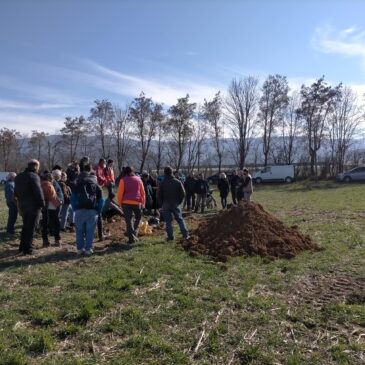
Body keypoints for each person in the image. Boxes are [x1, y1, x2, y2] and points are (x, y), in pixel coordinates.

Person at [71, 162, 104, 256]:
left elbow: (73, 198)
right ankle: (88, 249)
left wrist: (75, 209)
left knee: (79, 230)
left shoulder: (78, 183)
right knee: (90, 231)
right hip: (92, 210)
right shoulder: (96, 184)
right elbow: (101, 200)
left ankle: (79, 249)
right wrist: (98, 210)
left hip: (79, 210)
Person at [14, 159, 45, 255]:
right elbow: (38, 192)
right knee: (31, 227)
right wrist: (42, 203)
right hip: (33, 206)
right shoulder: (34, 176)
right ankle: (28, 249)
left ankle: (22, 246)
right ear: (35, 166)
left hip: (22, 204)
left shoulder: (19, 177)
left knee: (25, 226)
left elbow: (16, 191)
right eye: (38, 166)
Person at [158, 166, 189, 241]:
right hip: (175, 203)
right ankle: (185, 235)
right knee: (180, 219)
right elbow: (183, 193)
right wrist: (179, 201)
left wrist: (161, 203)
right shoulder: (177, 182)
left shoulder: (162, 183)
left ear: (165, 173)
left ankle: (170, 237)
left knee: (168, 221)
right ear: (172, 172)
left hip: (166, 203)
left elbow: (159, 194)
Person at [116, 166, 145, 244]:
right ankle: (134, 233)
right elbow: (143, 193)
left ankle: (131, 238)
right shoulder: (139, 179)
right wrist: (143, 203)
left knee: (129, 221)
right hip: (137, 202)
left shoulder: (123, 180)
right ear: (133, 171)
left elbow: (120, 193)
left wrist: (119, 203)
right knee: (138, 218)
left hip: (126, 202)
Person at [40, 172, 62, 247]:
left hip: (44, 206)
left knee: (45, 223)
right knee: (55, 223)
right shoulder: (50, 184)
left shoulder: (40, 184)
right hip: (52, 206)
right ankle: (57, 240)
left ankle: (45, 241)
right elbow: (53, 195)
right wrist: (58, 202)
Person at [4, 172, 18, 236]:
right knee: (12, 217)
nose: (15, 178)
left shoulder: (13, 183)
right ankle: (9, 231)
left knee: (14, 217)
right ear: (11, 177)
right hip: (12, 203)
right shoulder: (9, 184)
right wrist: (15, 201)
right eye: (14, 177)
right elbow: (10, 196)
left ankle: (11, 230)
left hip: (13, 202)